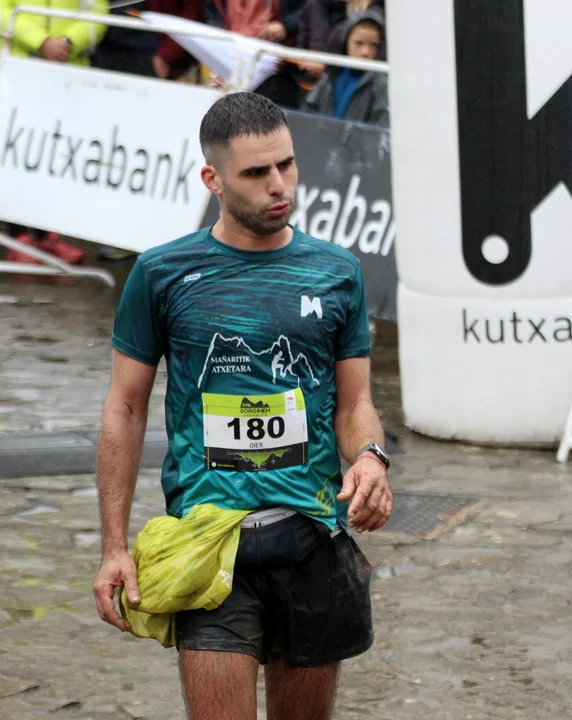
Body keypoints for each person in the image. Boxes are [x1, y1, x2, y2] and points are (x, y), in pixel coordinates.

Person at [93, 92, 392, 720]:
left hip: (312, 539)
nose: (278, 185)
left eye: (286, 164)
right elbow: (125, 409)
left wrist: (369, 456)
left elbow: (355, 403)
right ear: (214, 179)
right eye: (256, 172)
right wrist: (114, 546)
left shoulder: (337, 272)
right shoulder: (162, 272)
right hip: (208, 545)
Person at [0, 0, 108, 264]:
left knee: (56, 156)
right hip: (16, 69)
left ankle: (47, 235)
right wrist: (40, 41)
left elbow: (98, 12)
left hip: (68, 75)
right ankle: (19, 236)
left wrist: (68, 42)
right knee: (15, 152)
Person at [304, 10, 388, 125]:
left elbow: (380, 126)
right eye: (358, 43)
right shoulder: (330, 76)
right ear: (346, 42)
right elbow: (309, 112)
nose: (365, 52)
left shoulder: (380, 85)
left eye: (374, 45)